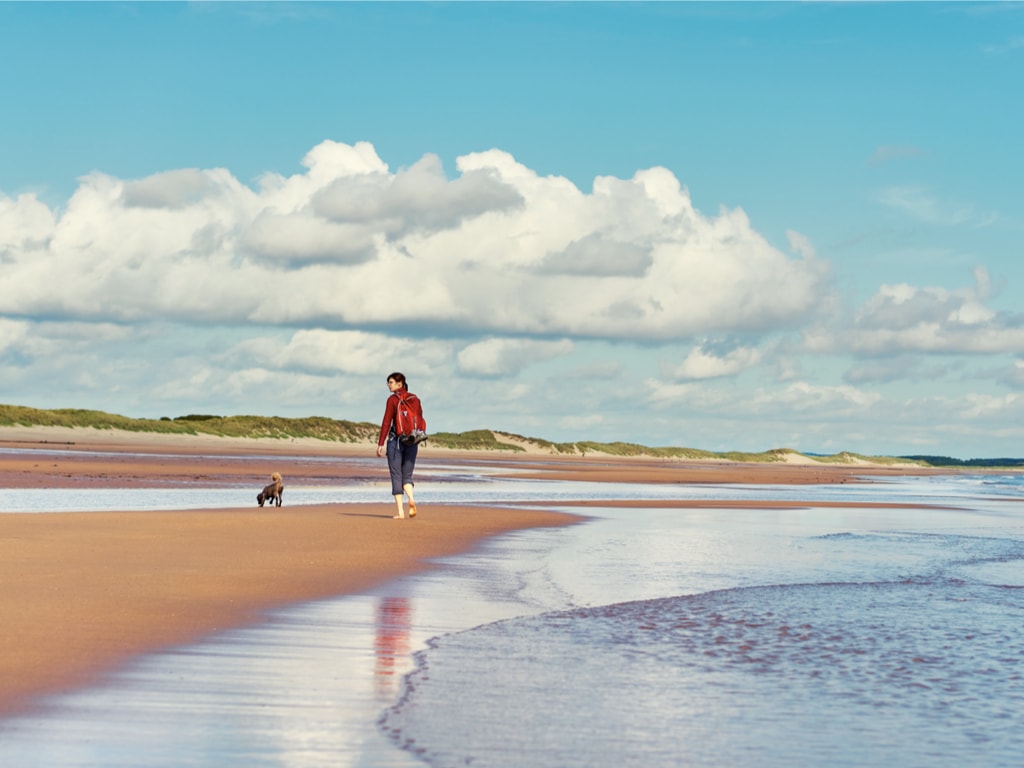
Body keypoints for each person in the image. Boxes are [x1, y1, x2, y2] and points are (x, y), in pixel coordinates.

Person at [376, 372, 425, 519]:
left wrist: (380, 443)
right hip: (412, 440)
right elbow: (420, 418)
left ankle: (401, 512)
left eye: (390, 382)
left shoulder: (392, 400)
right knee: (407, 475)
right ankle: (411, 499)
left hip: (396, 441)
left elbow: (386, 422)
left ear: (399, 384)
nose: (388, 385)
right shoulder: (414, 399)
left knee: (396, 475)